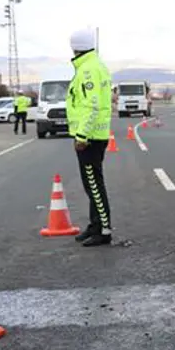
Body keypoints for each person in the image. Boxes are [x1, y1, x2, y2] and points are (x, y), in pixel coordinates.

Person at [66, 27, 115, 247]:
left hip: (90, 137)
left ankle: (104, 230)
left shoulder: (88, 70)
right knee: (92, 185)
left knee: (94, 185)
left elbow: (92, 105)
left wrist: (82, 136)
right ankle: (95, 225)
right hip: (94, 134)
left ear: (75, 48)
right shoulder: (94, 65)